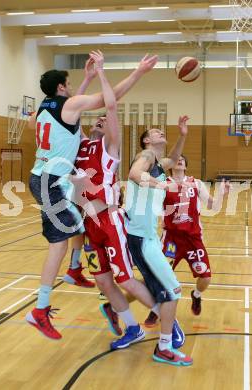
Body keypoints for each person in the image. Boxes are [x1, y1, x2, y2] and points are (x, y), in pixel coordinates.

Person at [25, 52, 158, 340]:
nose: (73, 88)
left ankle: (73, 270)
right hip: (52, 181)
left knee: (76, 223)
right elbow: (108, 100)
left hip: (44, 178)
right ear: (62, 87)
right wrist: (137, 72)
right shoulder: (73, 112)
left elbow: (68, 110)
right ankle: (43, 304)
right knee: (60, 242)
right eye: (70, 84)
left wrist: (84, 79)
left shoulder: (43, 110)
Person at [72, 50, 161, 350]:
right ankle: (133, 328)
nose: (99, 121)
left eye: (103, 120)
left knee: (125, 280)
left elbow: (110, 104)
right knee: (103, 282)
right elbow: (70, 113)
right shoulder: (81, 146)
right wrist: (85, 79)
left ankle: (168, 323)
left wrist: (102, 73)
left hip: (110, 220)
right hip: (89, 223)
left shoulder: (110, 149)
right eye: (94, 120)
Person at [125, 117, 193, 366]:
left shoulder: (157, 162)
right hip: (141, 237)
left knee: (170, 292)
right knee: (172, 292)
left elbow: (173, 160)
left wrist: (182, 135)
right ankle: (163, 346)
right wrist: (160, 184)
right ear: (146, 140)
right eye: (155, 131)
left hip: (147, 236)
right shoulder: (146, 155)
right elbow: (133, 174)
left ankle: (164, 343)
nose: (160, 131)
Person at [144, 155, 230, 327]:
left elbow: (213, 206)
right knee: (160, 276)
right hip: (171, 239)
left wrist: (221, 194)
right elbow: (154, 207)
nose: (180, 160)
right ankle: (155, 309)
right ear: (171, 166)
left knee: (205, 277)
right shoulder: (164, 184)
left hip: (193, 238)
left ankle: (196, 295)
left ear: (186, 165)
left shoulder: (196, 183)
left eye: (183, 159)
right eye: (177, 159)